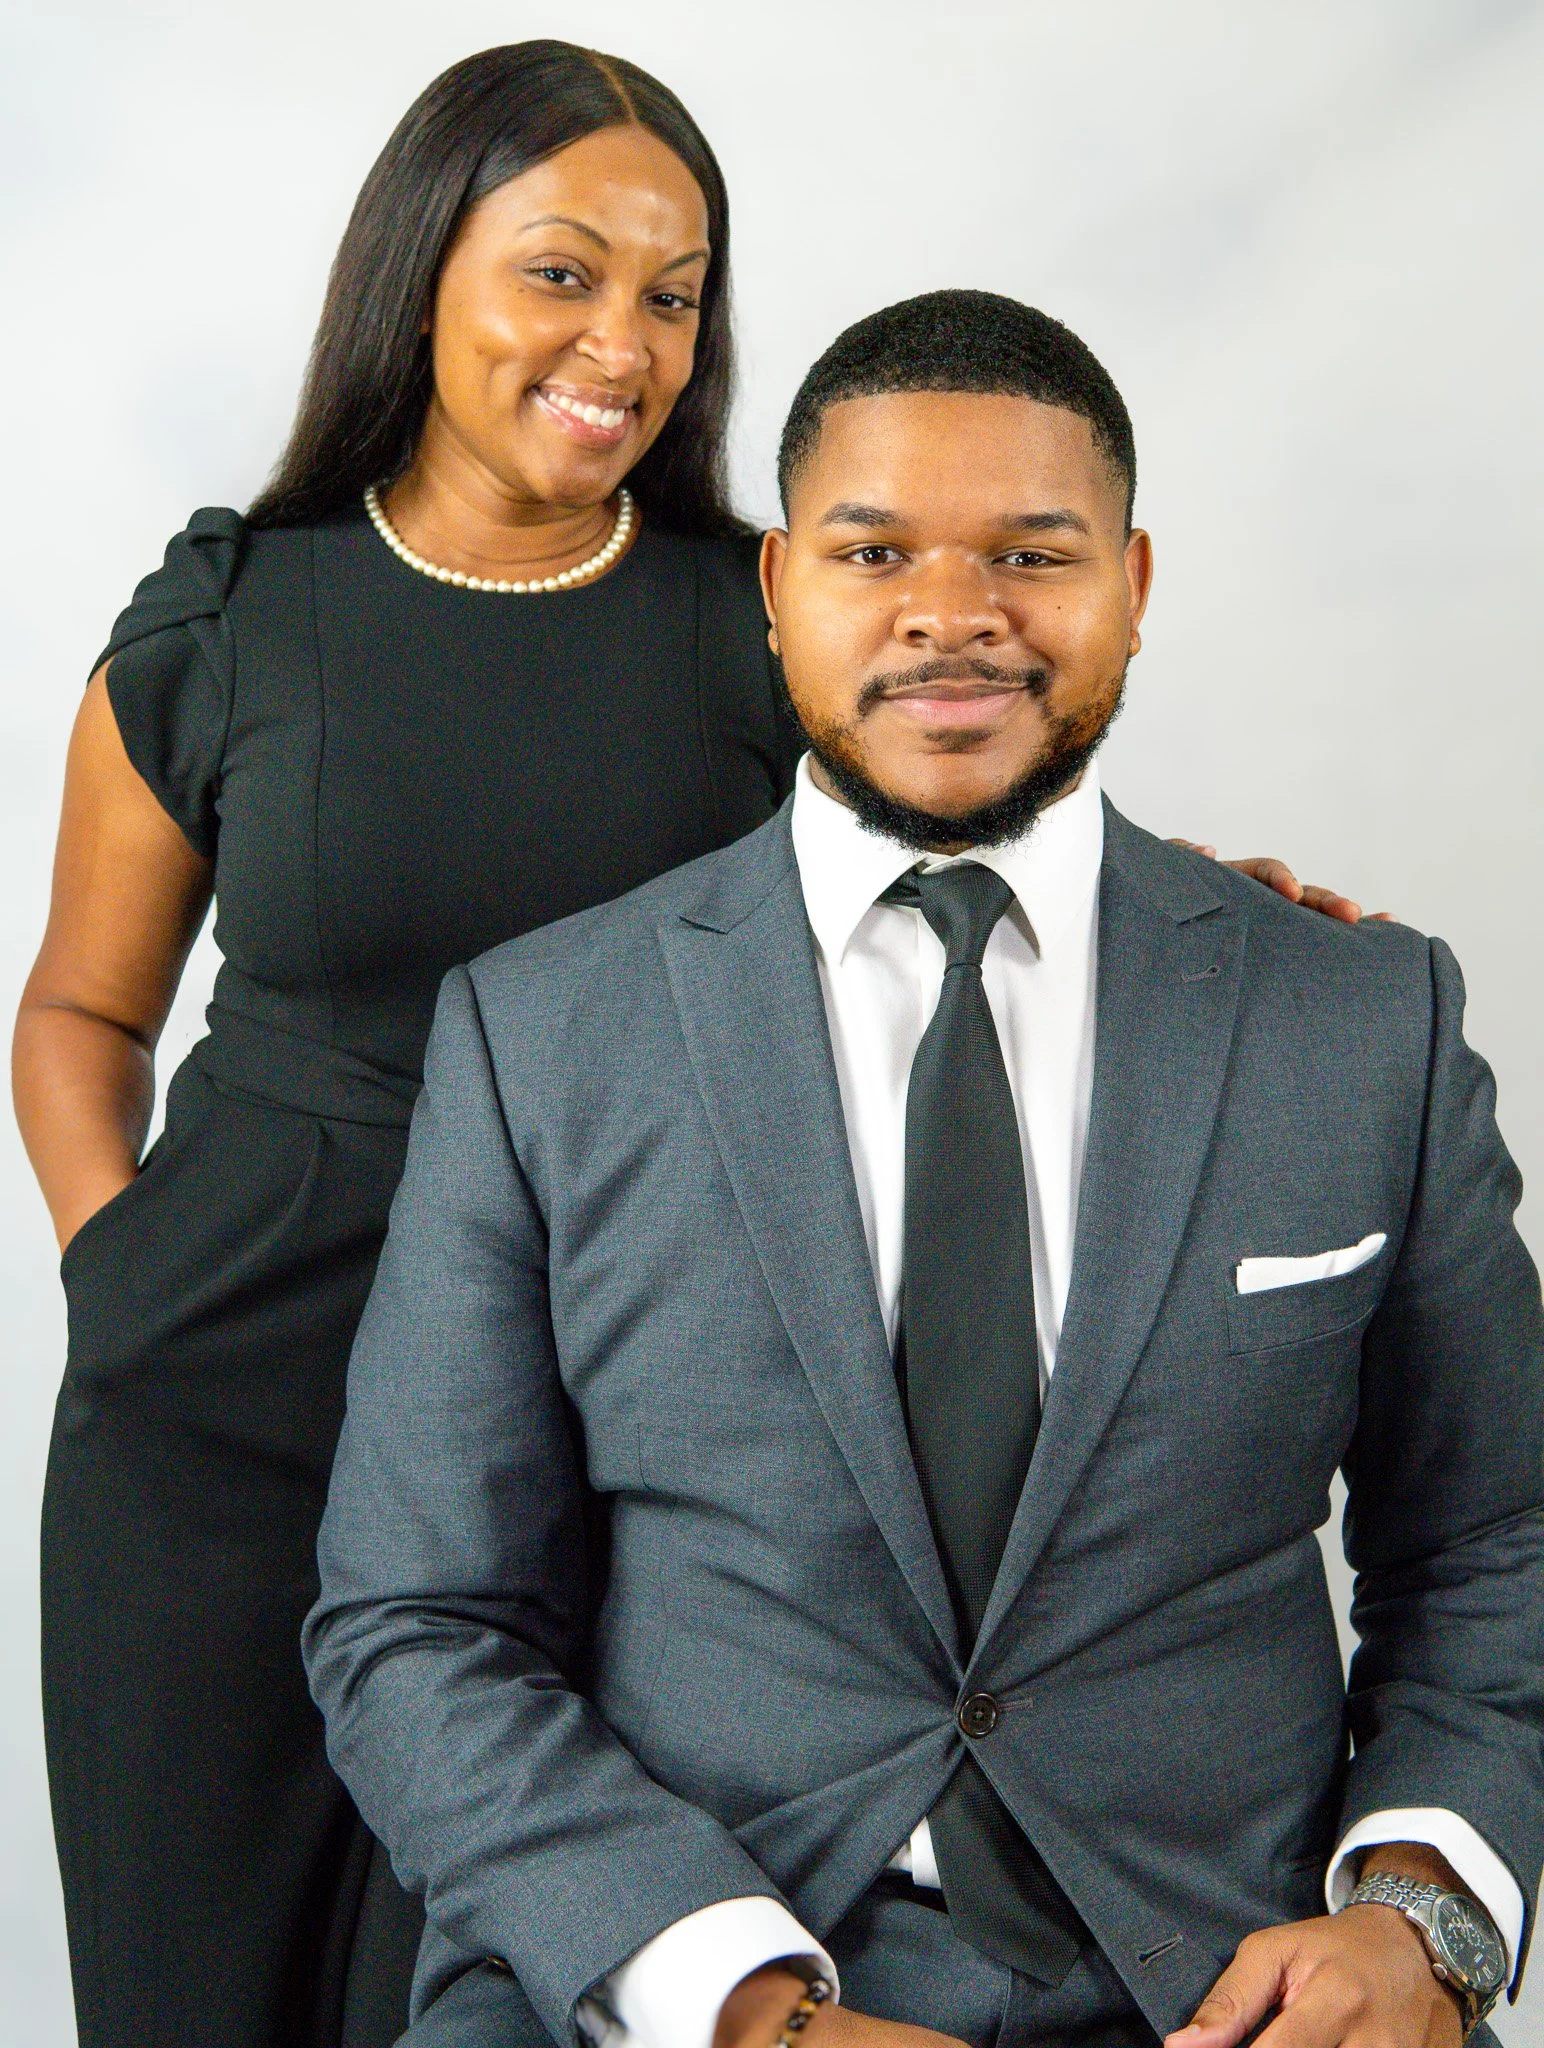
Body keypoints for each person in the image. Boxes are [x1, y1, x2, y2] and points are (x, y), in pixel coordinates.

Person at [12, 36, 1360, 2044]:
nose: (622, 341)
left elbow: (976, 839)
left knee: (517, 1968)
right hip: (219, 1426)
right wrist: (117, 1268)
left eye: (673, 292)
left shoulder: (751, 618)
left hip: (600, 1430)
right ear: (422, 274)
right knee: (197, 1990)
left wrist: (1215, 904)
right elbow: (80, 1006)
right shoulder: (225, 622)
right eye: (563, 272)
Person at [305, 290, 1544, 2048]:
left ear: (1133, 581)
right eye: (875, 551)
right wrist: (727, 1997)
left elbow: (1501, 1539)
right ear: (777, 586)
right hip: (689, 1968)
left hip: (1240, 1980)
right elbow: (413, 1622)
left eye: (1031, 555)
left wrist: (1421, 1920)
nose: (951, 619)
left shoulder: (1361, 1018)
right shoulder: (544, 1035)